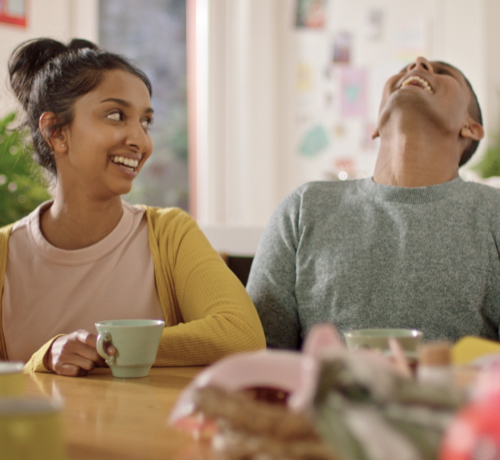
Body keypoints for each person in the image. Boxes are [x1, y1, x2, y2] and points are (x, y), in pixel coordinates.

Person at [0, 38, 265, 376]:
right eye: (116, 115)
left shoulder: (170, 233)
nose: (141, 140)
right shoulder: (4, 253)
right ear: (56, 132)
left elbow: (241, 334)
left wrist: (106, 347)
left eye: (145, 121)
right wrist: (45, 357)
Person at [246, 56, 499, 349]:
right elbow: (260, 352)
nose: (418, 64)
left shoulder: (494, 214)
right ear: (377, 124)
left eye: (444, 72)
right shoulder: (303, 209)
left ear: (471, 127)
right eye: (403, 70)